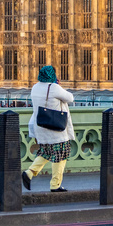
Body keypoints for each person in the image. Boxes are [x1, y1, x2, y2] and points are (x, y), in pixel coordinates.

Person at [23, 65, 75, 193]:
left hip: (41, 126)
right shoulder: (54, 87)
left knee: (46, 153)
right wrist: (57, 84)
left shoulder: (35, 87)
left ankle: (29, 173)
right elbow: (70, 98)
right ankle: (55, 184)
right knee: (61, 155)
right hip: (55, 128)